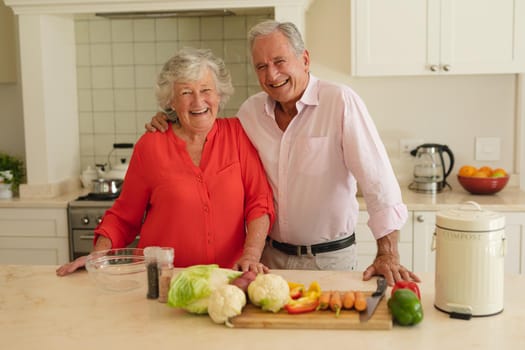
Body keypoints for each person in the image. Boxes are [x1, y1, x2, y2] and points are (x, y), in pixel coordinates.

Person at [146, 20, 420, 286]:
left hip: (328, 259)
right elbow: (206, 125)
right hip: (269, 259)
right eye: (261, 67)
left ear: (305, 59)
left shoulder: (339, 101)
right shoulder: (250, 112)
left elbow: (378, 182)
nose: (271, 75)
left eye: (279, 62)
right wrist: (170, 118)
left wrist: (387, 253)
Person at [56, 47, 275, 277]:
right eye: (186, 93)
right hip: (163, 279)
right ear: (171, 101)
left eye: (206, 90)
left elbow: (259, 202)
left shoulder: (237, 135)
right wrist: (96, 257)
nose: (198, 101)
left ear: (219, 95)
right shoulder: (151, 146)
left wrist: (250, 255)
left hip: (227, 279)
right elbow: (123, 216)